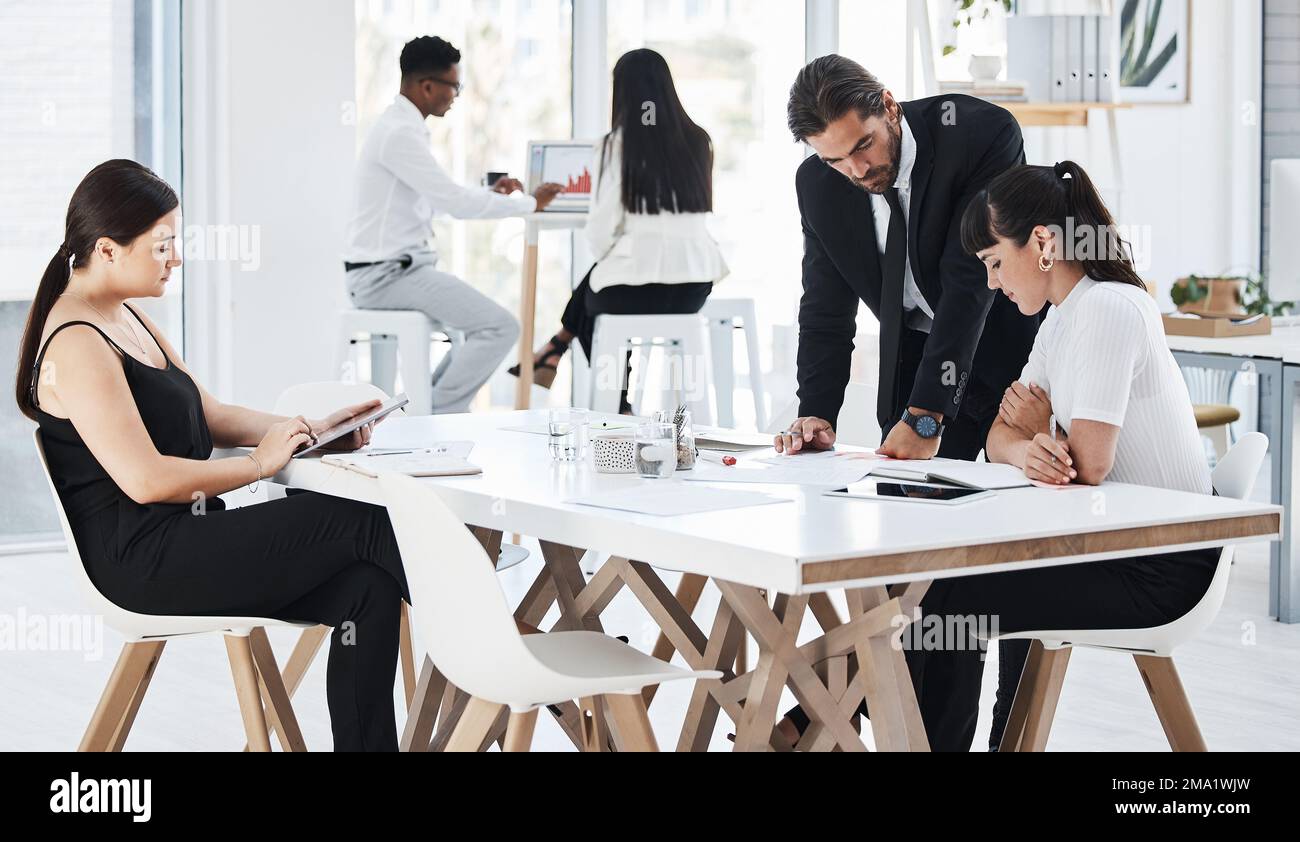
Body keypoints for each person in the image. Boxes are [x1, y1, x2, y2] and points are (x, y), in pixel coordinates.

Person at [20, 159, 413, 751]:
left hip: (191, 543)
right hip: (145, 564)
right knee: (358, 517)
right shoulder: (77, 341)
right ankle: (493, 643)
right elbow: (146, 481)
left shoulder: (127, 318)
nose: (175, 257)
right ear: (106, 249)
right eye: (163, 245)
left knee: (368, 588)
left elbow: (210, 414)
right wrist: (262, 464)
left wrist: (308, 429)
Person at [775, 54, 1041, 747]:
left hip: (1012, 362)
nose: (857, 169)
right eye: (835, 159)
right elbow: (825, 307)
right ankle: (903, 730)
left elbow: (968, 281)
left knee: (994, 568)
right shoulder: (820, 184)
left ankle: (998, 736)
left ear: (889, 107)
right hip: (916, 366)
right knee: (917, 568)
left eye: (863, 144)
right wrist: (817, 413)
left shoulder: (979, 133)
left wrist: (928, 415)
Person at [344, 35, 564, 413]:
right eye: (454, 86)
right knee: (500, 328)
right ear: (427, 86)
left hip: (394, 271)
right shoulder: (399, 134)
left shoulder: (402, 129)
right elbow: (453, 202)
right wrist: (531, 204)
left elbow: (436, 201)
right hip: (386, 277)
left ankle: (419, 410)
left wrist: (491, 193)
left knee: (470, 329)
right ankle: (435, 416)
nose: (456, 95)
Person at [510, 48, 727, 405]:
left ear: (622, 92)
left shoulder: (617, 145)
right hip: (693, 286)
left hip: (634, 288)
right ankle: (556, 349)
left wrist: (617, 256)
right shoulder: (699, 140)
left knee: (600, 292)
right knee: (603, 281)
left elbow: (600, 230)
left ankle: (616, 399)